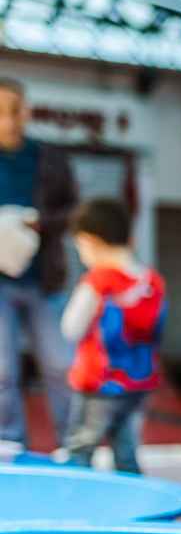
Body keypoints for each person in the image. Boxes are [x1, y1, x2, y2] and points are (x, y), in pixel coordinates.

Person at [59, 199, 165, 475]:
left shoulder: (99, 281)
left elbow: (71, 328)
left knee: (80, 450)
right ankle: (133, 507)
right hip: (138, 383)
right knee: (126, 451)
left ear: (90, 241)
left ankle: (71, 508)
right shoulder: (151, 282)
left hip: (98, 384)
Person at [0, 78, 77, 449]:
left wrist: (39, 223)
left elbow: (73, 210)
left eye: (14, 110)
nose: (9, 120)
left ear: (25, 111)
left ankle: (73, 445)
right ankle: (10, 446)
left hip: (44, 279)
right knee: (2, 372)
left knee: (61, 365)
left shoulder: (49, 158)